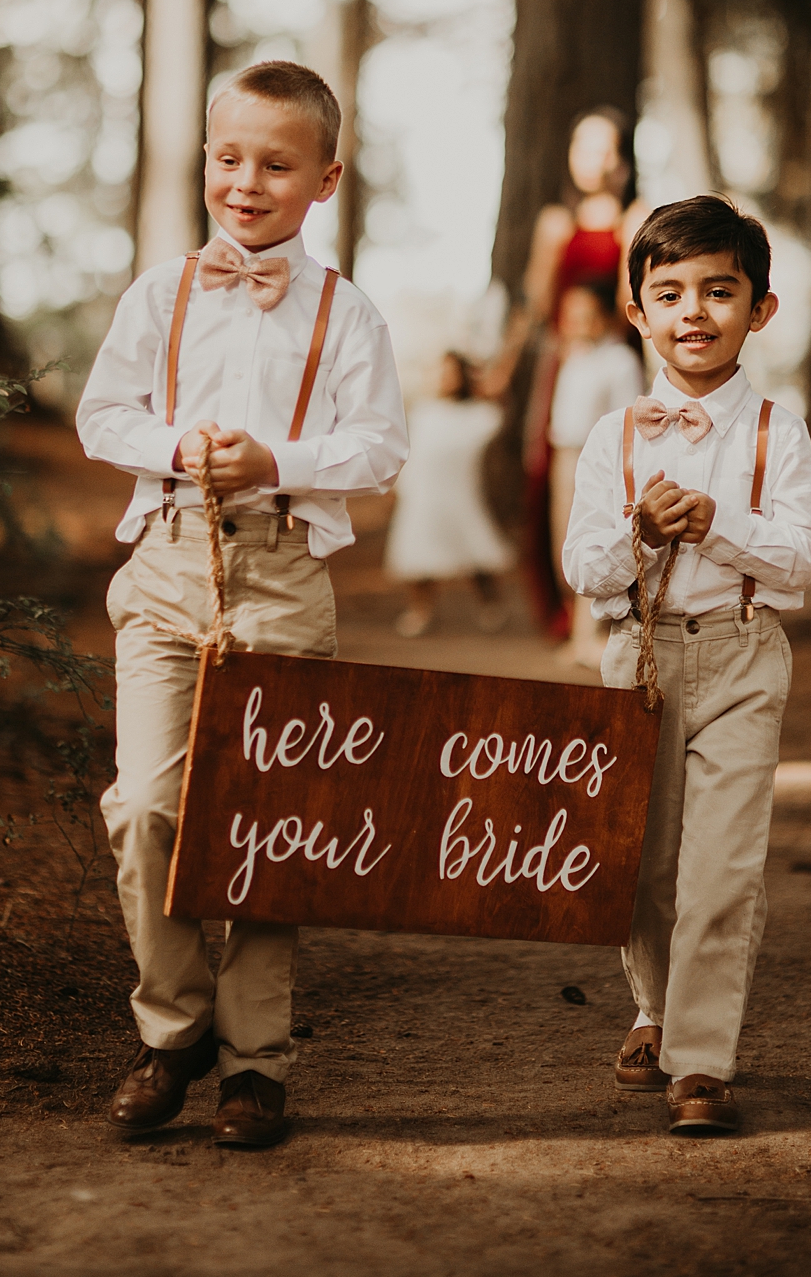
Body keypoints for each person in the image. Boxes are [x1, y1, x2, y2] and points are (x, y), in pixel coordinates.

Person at [77, 62, 408, 1150]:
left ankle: (255, 1059)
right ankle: (171, 1029)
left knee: (269, 820)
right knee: (148, 805)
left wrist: (280, 460)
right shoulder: (160, 293)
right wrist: (179, 444)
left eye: (276, 162)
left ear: (324, 178)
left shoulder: (345, 311)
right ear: (205, 160)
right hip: (169, 560)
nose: (247, 181)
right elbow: (101, 413)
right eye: (229, 157)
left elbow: (380, 444)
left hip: (281, 568)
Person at [562, 196, 811, 1136]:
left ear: (758, 309)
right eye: (669, 293)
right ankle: (653, 1008)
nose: (694, 312)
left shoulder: (774, 433)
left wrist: (726, 524)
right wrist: (637, 531)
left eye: (719, 292)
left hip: (743, 654)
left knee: (721, 864)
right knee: (641, 858)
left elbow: (804, 559)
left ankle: (700, 1061)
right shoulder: (614, 438)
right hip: (638, 655)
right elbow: (581, 568)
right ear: (636, 310)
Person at [515, 107, 649, 635]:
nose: (593, 160)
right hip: (561, 363)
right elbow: (534, 300)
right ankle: (564, 610)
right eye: (583, 147)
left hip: (614, 358)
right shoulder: (555, 222)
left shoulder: (634, 216)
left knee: (617, 481)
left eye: (604, 149)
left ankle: (613, 609)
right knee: (550, 481)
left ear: (621, 160)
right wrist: (505, 367)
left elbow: (630, 299)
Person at [547, 281, 644, 666]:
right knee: (565, 541)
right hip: (564, 455)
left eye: (585, 313)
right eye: (571, 314)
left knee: (594, 537)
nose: (576, 322)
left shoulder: (620, 360)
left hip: (599, 460)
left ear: (603, 316)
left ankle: (596, 636)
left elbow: (628, 416)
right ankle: (577, 633)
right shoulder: (572, 357)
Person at [384, 350, 514, 638]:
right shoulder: (423, 412)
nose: (445, 378)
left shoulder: (481, 414)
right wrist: (397, 489)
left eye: (452, 371)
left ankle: (490, 605)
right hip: (423, 492)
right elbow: (410, 454)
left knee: (475, 548)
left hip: (462, 491)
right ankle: (421, 609)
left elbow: (503, 425)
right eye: (441, 372)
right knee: (418, 551)